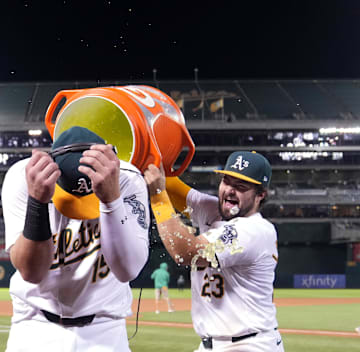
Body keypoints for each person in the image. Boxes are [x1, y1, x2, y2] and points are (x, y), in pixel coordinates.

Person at [2, 126, 150, 352]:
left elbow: (128, 269)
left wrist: (111, 200)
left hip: (105, 329)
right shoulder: (24, 176)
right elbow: (31, 272)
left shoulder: (127, 178)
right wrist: (37, 202)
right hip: (34, 326)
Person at [144, 151, 284, 351]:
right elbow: (174, 189)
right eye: (226, 181)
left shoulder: (255, 231)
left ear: (260, 195)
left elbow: (186, 253)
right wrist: (149, 159)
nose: (230, 190)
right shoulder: (213, 209)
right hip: (210, 344)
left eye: (240, 187)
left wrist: (158, 197)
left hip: (249, 344)